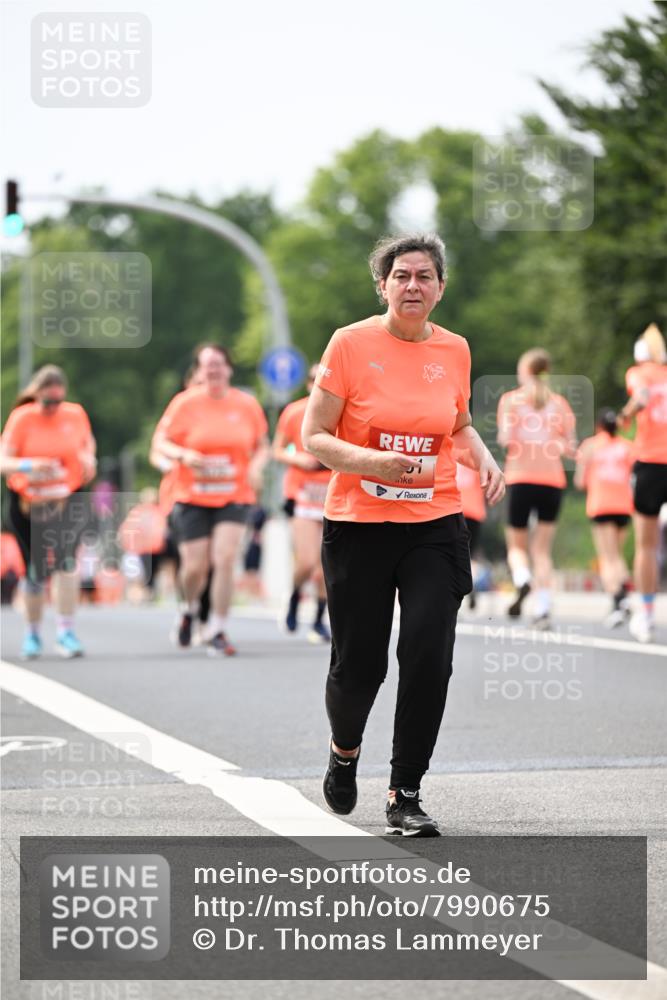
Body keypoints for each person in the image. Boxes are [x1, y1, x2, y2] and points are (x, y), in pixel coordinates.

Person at [302, 233, 504, 837]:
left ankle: (405, 792)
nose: (413, 286)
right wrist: (372, 464)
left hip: (434, 524)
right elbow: (313, 435)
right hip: (359, 525)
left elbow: (458, 425)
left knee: (428, 654)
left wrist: (483, 455)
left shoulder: (456, 350)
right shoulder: (351, 344)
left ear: (440, 287)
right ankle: (344, 753)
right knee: (359, 666)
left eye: (424, 276)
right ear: (383, 286)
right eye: (402, 276)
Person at [152, 344, 269, 655]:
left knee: (225, 558)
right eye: (207, 366)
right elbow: (160, 442)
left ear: (229, 369)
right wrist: (184, 455)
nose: (214, 370)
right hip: (191, 496)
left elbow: (261, 445)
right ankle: (188, 610)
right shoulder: (184, 404)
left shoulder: (246, 405)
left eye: (219, 364)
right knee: (194, 567)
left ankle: (217, 628)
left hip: (234, 494)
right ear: (199, 372)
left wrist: (256, 468)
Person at [0, 366, 97, 658]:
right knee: (36, 570)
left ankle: (66, 632)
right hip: (28, 503)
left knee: (66, 564)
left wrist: (89, 458)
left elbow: (87, 443)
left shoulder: (75, 414)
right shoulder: (22, 418)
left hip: (66, 498)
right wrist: (31, 465)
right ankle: (32, 635)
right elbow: (4, 461)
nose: (53, 408)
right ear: (37, 395)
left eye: (57, 401)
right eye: (47, 402)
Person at [496, 349, 577, 630]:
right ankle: (542, 608)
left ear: (524, 372)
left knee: (516, 546)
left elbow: (506, 439)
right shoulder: (560, 404)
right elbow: (571, 448)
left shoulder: (511, 401)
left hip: (520, 477)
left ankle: (521, 579)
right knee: (542, 550)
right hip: (551, 480)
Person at [273, 363, 332, 642]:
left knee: (326, 570)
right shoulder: (294, 412)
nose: (318, 385)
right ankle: (294, 596)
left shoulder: (342, 411)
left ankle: (319, 620)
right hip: (303, 495)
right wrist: (298, 459)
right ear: (308, 384)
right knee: (307, 561)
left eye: (324, 379)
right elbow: (277, 449)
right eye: (313, 379)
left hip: (333, 496)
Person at [619, 323, 667, 643]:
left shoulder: (639, 373)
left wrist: (626, 414)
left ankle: (646, 615)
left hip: (650, 463)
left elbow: (642, 396)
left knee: (646, 545)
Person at [575, 409, 634, 627]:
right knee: (617, 555)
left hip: (601, 505)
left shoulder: (590, 446)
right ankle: (623, 598)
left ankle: (619, 600)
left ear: (599, 426)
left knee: (607, 557)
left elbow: (580, 482)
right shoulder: (627, 447)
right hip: (623, 506)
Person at [455, 461, 487, 610]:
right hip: (475, 512)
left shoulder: (449, 455)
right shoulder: (475, 458)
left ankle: (459, 591)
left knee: (454, 555)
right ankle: (471, 582)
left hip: (456, 510)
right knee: (471, 554)